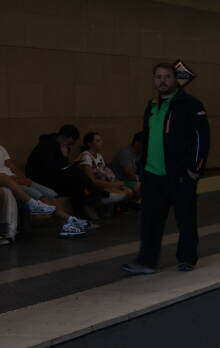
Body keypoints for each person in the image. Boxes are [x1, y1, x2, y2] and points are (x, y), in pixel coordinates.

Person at [121, 63, 210, 275]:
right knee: (149, 221)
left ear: (175, 79)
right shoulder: (151, 105)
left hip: (180, 175)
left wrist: (194, 170)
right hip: (153, 175)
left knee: (185, 219)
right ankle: (146, 261)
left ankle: (187, 258)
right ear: (154, 80)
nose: (162, 81)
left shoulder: (191, 104)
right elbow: (147, 137)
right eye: (158, 77)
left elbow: (202, 139)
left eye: (167, 76)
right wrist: (142, 170)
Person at [25, 125, 105, 218]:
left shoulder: (64, 146)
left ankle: (79, 216)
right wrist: (64, 154)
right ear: (67, 138)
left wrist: (66, 157)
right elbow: (54, 168)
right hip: (41, 178)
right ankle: (95, 191)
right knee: (76, 174)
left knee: (78, 182)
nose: (71, 145)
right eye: (71, 142)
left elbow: (63, 167)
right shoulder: (46, 145)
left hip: (55, 177)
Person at [78, 132, 133, 205]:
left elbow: (105, 172)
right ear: (89, 144)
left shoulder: (99, 156)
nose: (101, 142)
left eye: (101, 140)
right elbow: (91, 180)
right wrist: (113, 185)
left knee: (128, 191)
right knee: (122, 193)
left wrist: (116, 183)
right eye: (98, 141)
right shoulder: (86, 156)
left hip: (106, 182)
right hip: (95, 187)